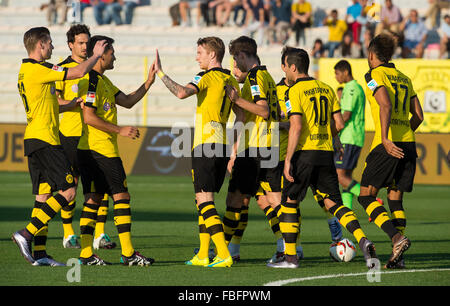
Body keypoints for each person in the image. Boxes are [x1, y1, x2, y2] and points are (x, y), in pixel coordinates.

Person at [267, 47, 377, 269]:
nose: (284, 70)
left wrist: (288, 159)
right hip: (326, 153)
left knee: (289, 202)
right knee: (334, 203)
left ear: (293, 67)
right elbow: (339, 124)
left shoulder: (294, 91)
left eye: (286, 66)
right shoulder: (326, 88)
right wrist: (326, 136)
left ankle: (290, 258)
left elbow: (296, 126)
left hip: (304, 154)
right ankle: (362, 239)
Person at [12, 27, 106, 266]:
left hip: (34, 137)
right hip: (46, 140)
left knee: (43, 197)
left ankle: (40, 254)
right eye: (50, 43)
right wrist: (95, 56)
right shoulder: (39, 68)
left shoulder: (25, 71)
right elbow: (75, 72)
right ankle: (26, 234)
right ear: (41, 44)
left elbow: (49, 104)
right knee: (69, 191)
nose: (53, 48)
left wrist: (71, 104)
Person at [154, 37, 241, 268]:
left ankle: (222, 253)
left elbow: (182, 93)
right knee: (203, 201)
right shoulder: (231, 79)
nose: (197, 57)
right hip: (222, 145)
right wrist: (234, 149)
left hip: (206, 145)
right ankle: (203, 253)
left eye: (200, 52)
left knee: (205, 202)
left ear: (213, 55)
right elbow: (240, 116)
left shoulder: (205, 76)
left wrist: (161, 74)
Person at [77, 35, 156, 265]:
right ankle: (128, 254)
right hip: (99, 150)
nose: (115, 56)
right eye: (112, 52)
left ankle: (85, 255)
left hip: (90, 149)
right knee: (121, 196)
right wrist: (119, 129)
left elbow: (129, 101)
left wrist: (148, 83)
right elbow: (89, 117)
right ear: (101, 54)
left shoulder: (104, 82)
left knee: (93, 200)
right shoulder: (91, 80)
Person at [359, 33, 424, 269]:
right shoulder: (405, 78)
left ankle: (396, 238)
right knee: (395, 199)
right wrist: (405, 134)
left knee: (366, 195)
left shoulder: (373, 75)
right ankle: (399, 256)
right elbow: (418, 116)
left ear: (372, 54)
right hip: (407, 142)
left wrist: (387, 139)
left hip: (387, 144)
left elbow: (385, 104)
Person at [55, 24, 117, 250]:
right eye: (80, 43)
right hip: (71, 135)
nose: (84, 47)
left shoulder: (95, 71)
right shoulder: (62, 69)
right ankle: (68, 233)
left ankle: (100, 234)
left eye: (87, 43)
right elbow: (55, 101)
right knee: (70, 187)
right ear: (70, 44)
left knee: (99, 189)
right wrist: (73, 104)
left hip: (93, 137)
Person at [223, 36, 279, 260]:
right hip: (268, 146)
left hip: (255, 148)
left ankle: (222, 250)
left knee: (235, 200)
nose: (235, 64)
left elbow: (263, 110)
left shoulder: (256, 77)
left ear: (243, 55)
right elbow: (248, 116)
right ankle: (289, 248)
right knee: (270, 200)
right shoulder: (268, 77)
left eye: (236, 59)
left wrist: (236, 99)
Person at [333, 59, 369, 210]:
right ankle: (347, 210)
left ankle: (370, 200)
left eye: (337, 73)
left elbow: (346, 115)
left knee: (340, 176)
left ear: (345, 72)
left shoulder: (351, 88)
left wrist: (332, 131)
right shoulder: (356, 87)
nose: (336, 77)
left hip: (349, 137)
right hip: (354, 137)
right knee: (346, 177)